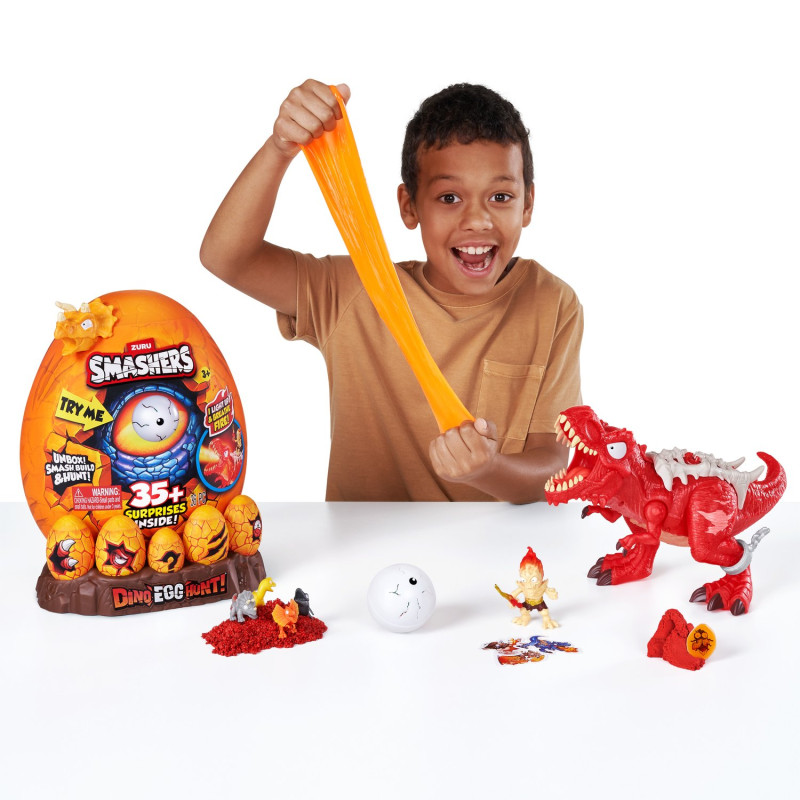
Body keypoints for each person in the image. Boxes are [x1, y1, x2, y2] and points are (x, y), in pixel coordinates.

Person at [200, 79, 582, 503]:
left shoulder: (552, 303)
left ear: (527, 204)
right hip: (363, 541)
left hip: (494, 543)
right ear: (409, 206)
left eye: (501, 196)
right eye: (450, 197)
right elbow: (226, 257)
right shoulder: (353, 291)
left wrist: (489, 470)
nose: (477, 220)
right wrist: (280, 148)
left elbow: (554, 465)